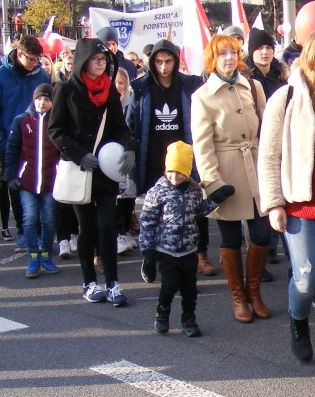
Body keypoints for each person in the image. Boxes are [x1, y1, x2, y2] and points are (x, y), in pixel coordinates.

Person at [258, 29, 315, 376]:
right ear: (308, 55)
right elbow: (269, 154)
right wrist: (273, 204)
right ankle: (298, 321)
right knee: (308, 276)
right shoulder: (286, 97)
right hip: (300, 203)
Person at [48, 38, 137, 306]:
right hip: (80, 168)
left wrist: (129, 147)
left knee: (107, 226)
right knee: (86, 228)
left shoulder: (109, 89)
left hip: (105, 169)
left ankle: (112, 282)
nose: (101, 63)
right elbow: (56, 130)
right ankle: (89, 282)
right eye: (96, 59)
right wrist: (78, 154)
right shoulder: (65, 89)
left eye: (104, 60)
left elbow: (120, 126)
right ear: (83, 61)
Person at [191, 33, 270, 324]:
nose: (228, 58)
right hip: (226, 172)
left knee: (262, 234)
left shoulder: (253, 85)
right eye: (222, 53)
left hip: (256, 166)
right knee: (231, 237)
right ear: (213, 58)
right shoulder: (201, 96)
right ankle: (238, 298)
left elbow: (267, 129)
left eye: (233, 52)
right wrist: (212, 182)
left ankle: (254, 292)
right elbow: (202, 144)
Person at [129, 39, 218, 276]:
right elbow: (131, 123)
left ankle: (201, 253)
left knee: (196, 207)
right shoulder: (141, 87)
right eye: (158, 62)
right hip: (154, 157)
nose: (163, 67)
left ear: (176, 61)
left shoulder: (189, 85)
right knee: (155, 211)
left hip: (185, 157)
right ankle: (154, 255)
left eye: (168, 61)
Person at [138, 141, 219, 338]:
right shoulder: (158, 191)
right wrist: (148, 251)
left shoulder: (194, 189)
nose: (175, 176)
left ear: (188, 171)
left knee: (190, 288)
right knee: (169, 285)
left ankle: (188, 318)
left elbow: (199, 212)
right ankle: (162, 313)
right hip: (166, 249)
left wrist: (217, 199)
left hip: (189, 250)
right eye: (171, 171)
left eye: (180, 171)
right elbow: (147, 221)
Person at [0, 34, 52, 252]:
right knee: (16, 188)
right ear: (19, 54)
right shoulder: (0, 75)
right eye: (31, 59)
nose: (35, 63)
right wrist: (1, 142)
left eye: (38, 59)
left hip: (39, 140)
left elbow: (51, 105)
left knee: (42, 188)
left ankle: (41, 234)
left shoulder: (41, 74)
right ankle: (23, 233)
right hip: (11, 141)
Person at [4, 83, 61, 278]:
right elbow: (11, 151)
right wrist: (11, 176)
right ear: (33, 99)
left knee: (48, 218)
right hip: (26, 181)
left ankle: (46, 254)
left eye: (46, 99)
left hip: (50, 181)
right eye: (39, 99)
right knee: (29, 218)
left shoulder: (56, 121)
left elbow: (62, 151)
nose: (42, 103)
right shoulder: (21, 121)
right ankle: (32, 256)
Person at [113, 67, 137, 256]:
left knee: (129, 195)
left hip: (130, 153)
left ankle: (126, 231)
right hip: (112, 156)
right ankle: (119, 232)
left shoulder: (132, 101)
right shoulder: (108, 102)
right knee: (117, 196)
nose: (118, 86)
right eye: (115, 83)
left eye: (121, 82)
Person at [248, 28, 288, 100]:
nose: (265, 52)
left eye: (268, 47)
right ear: (252, 52)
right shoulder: (245, 79)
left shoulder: (282, 76)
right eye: (260, 48)